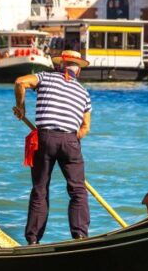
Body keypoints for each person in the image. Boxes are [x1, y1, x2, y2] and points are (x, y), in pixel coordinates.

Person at [13, 50, 92, 244]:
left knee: (40, 190)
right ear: (77, 71)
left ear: (58, 66)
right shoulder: (84, 93)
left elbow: (20, 82)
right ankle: (80, 236)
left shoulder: (45, 77)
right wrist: (70, 140)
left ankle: (32, 240)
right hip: (70, 141)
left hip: (45, 138)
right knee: (78, 191)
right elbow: (85, 128)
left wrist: (21, 107)